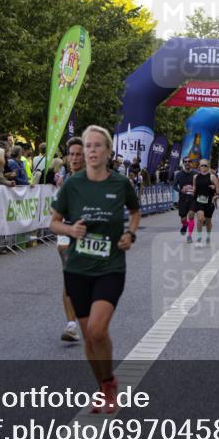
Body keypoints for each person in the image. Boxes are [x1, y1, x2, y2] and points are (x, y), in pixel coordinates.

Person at [50, 125, 140, 412]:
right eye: (87, 146)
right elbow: (53, 221)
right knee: (89, 336)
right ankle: (103, 385)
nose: (90, 151)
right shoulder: (73, 185)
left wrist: (130, 234)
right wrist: (70, 229)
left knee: (99, 331)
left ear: (108, 152)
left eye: (97, 146)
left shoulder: (120, 184)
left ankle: (109, 382)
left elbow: (135, 212)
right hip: (77, 269)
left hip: (110, 266)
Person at [54, 137, 85, 342]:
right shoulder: (64, 181)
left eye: (78, 154)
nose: (74, 158)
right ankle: (71, 325)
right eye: (71, 154)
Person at [192, 158, 219, 246]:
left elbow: (218, 190)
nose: (203, 167)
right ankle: (199, 237)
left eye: (205, 165)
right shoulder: (195, 177)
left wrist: (215, 193)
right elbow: (194, 188)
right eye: (201, 165)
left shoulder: (212, 176)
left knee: (208, 221)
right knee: (200, 218)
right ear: (199, 167)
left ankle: (208, 235)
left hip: (209, 201)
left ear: (208, 166)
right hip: (198, 200)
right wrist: (191, 191)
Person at [173, 157, 197, 242]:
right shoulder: (179, 174)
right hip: (183, 199)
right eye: (185, 161)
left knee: (191, 216)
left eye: (189, 161)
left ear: (191, 163)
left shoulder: (195, 174)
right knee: (183, 219)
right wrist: (181, 190)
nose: (187, 163)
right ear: (183, 163)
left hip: (193, 198)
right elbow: (174, 186)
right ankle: (185, 225)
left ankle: (189, 236)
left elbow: (200, 184)